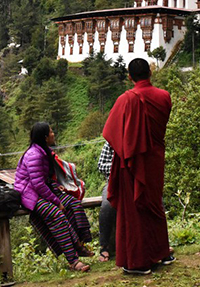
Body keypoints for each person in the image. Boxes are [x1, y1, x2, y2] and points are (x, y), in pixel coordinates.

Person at [103, 58, 174, 275]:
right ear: (150, 73)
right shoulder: (164, 96)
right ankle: (162, 253)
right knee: (154, 205)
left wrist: (127, 148)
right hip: (155, 159)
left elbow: (111, 132)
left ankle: (139, 262)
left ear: (129, 76)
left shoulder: (126, 99)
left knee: (135, 210)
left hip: (133, 161)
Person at [14, 122, 93, 272]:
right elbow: (37, 184)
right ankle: (73, 261)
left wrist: (56, 187)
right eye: (51, 132)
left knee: (73, 204)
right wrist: (56, 201)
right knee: (57, 215)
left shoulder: (44, 151)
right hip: (30, 195)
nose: (53, 134)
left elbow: (44, 179)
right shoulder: (34, 155)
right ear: (45, 137)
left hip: (41, 191)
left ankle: (79, 243)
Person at [96, 140, 116, 262]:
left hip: (133, 182)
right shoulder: (110, 142)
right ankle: (104, 247)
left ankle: (159, 243)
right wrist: (118, 166)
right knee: (107, 207)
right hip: (113, 182)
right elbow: (101, 165)